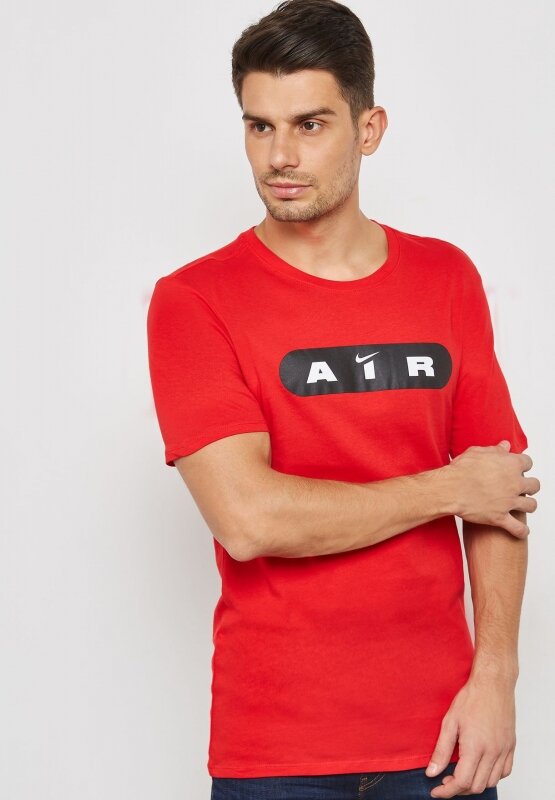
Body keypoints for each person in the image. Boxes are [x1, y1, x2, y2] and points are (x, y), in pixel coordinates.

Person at [146, 1, 540, 798]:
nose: (279, 156)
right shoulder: (194, 301)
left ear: (368, 129)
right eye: (259, 126)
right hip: (278, 752)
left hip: (442, 737)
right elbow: (249, 520)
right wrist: (444, 489)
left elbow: (496, 497)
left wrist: (495, 678)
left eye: (309, 124)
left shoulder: (445, 279)